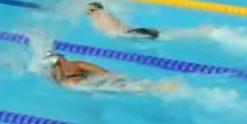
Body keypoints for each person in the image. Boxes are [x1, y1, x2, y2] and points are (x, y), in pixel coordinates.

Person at [42, 51, 178, 93]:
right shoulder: (76, 63)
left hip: (77, 90)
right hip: (89, 86)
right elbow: (105, 73)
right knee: (130, 85)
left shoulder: (53, 75)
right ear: (62, 57)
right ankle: (159, 87)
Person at [86, 2, 160, 39]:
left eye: (92, 10)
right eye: (88, 10)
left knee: (151, 34)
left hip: (127, 32)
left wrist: (116, 35)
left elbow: (115, 30)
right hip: (127, 31)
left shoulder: (104, 15)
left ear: (99, 10)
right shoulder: (98, 16)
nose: (89, 12)